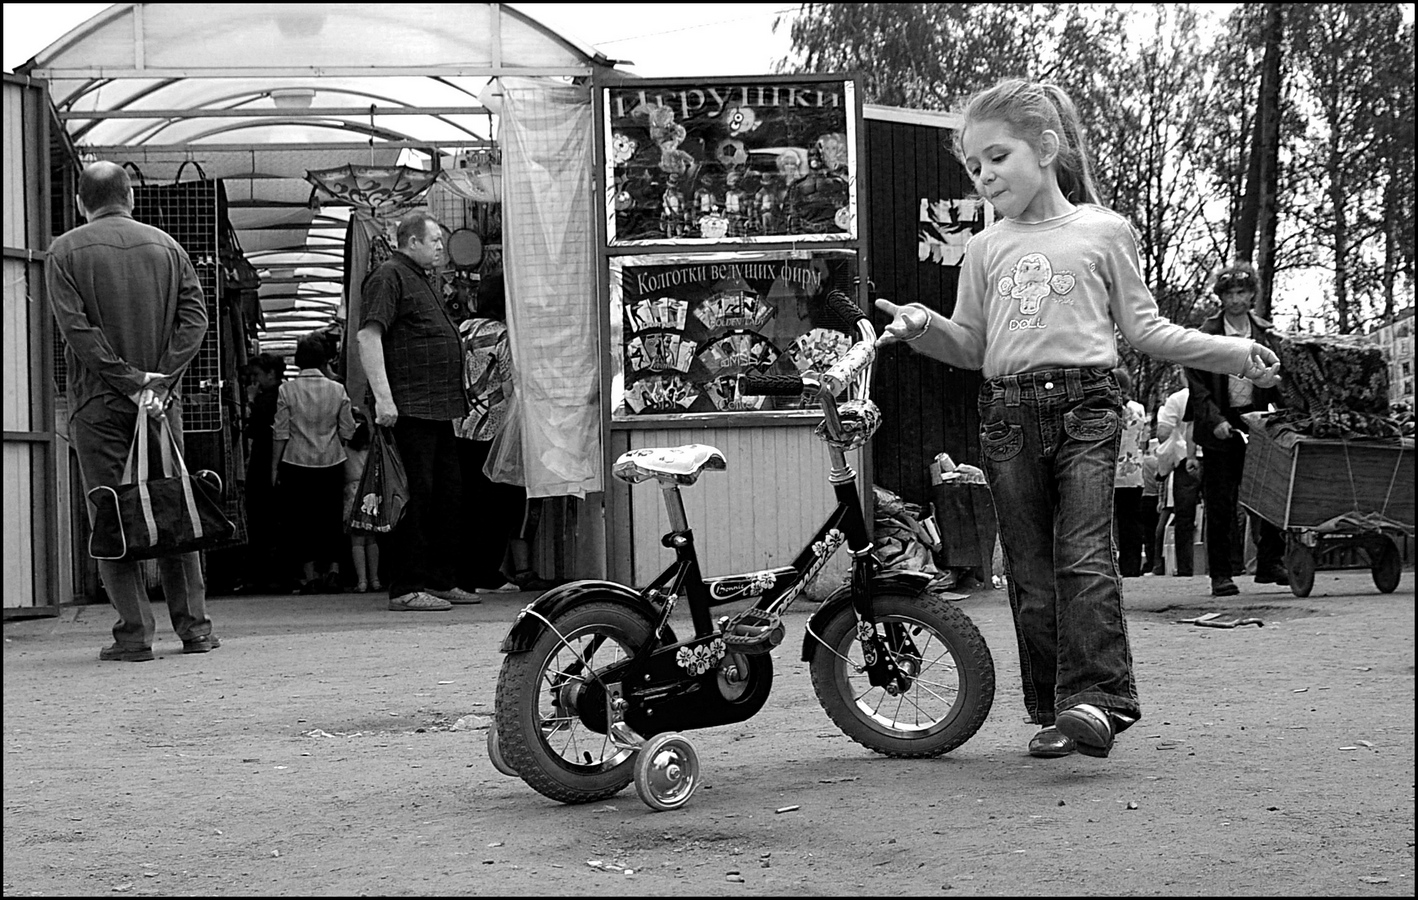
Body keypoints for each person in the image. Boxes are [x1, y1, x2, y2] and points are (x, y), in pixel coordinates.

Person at [873, 79, 1281, 760]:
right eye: (974, 167)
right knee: (1030, 572)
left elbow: (1146, 330)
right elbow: (972, 347)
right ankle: (1057, 708)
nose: (985, 176)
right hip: (1005, 416)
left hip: (1089, 408)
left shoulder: (1103, 230)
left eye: (997, 157)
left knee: (1085, 556)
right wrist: (923, 326)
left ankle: (1099, 698)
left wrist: (1233, 350)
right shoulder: (984, 248)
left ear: (1047, 149)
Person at [45, 160, 218, 661]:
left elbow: (75, 332)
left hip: (98, 404)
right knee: (172, 505)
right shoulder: (169, 247)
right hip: (161, 405)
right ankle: (195, 629)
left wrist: (126, 380)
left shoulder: (63, 251)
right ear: (131, 197)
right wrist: (158, 381)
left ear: (82, 202)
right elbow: (196, 319)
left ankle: (135, 633)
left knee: (110, 510)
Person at [356, 211, 478, 611]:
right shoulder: (388, 275)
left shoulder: (422, 278)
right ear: (411, 243)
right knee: (415, 496)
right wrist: (384, 398)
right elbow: (368, 336)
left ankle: (440, 580)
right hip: (409, 407)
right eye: (435, 241)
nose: (443, 248)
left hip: (437, 408)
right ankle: (406, 586)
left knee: (448, 495)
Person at [1184, 261, 1289, 596]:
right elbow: (1197, 384)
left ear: (1252, 295)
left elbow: (1277, 379)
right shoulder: (1206, 333)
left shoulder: (1265, 332)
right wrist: (1214, 420)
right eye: (1230, 292)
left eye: (1242, 292)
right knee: (1220, 503)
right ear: (1221, 296)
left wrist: (1282, 416)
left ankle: (1270, 562)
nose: (1236, 299)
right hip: (1220, 423)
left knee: (1269, 493)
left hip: (1257, 421)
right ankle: (1221, 573)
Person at [453, 273, 524, 595]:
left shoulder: (461, 330)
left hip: (457, 427)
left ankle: (462, 573)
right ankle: (486, 573)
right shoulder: (502, 335)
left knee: (464, 504)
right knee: (498, 505)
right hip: (492, 432)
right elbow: (510, 387)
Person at [272, 334, 356, 594]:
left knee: (301, 520)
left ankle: (309, 578)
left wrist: (274, 467)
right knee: (330, 518)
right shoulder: (337, 389)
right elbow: (348, 429)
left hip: (296, 463)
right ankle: (332, 572)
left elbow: (281, 433)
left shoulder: (287, 390)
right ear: (323, 361)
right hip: (331, 462)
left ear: (298, 361)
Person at [244, 352, 290, 592]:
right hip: (284, 462)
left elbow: (255, 429)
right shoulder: (286, 395)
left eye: (258, 375)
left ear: (271, 374)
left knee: (262, 519)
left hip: (264, 462)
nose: (255, 381)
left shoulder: (268, 399)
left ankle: (263, 575)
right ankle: (277, 575)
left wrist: (251, 402)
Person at [1154, 384, 1201, 577]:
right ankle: (1227, 566)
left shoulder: (1177, 399)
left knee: (1184, 517)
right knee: (1220, 512)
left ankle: (1185, 568)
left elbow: (1163, 433)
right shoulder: (1217, 395)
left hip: (1185, 461)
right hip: (1215, 455)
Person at [1112, 367, 1148, 578]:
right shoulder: (1138, 409)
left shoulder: (1106, 408)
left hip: (1108, 470)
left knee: (1107, 522)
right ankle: (1131, 566)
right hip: (1133, 470)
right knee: (1131, 522)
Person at [342, 411, 381, 593]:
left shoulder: (345, 450)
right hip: (370, 493)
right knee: (372, 539)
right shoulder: (373, 449)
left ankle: (362, 581)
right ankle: (375, 579)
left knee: (356, 540)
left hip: (351, 493)